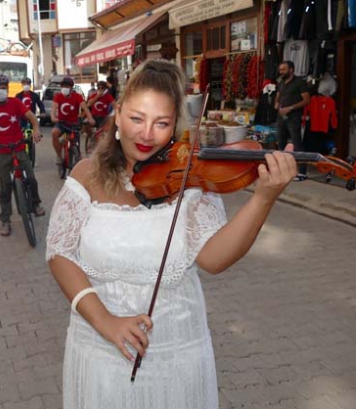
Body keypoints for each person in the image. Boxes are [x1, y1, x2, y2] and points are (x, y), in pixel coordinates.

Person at [45, 59, 297, 409]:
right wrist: (105, 322)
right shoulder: (87, 174)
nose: (147, 134)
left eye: (161, 123)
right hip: (100, 349)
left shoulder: (189, 178)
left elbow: (214, 258)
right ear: (117, 115)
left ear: (175, 125)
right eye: (136, 119)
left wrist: (264, 198)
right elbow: (59, 252)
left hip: (177, 352)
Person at [0, 74, 45, 237]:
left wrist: (36, 131)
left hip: (19, 147)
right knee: (4, 187)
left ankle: (35, 204)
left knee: (32, 178)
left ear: (7, 89)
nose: (1, 91)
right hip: (2, 152)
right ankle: (5, 220)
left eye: (3, 88)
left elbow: (33, 118)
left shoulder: (15, 102)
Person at [274, 61, 310, 180]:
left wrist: (290, 108)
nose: (281, 72)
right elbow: (278, 96)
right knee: (281, 143)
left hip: (294, 117)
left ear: (291, 70)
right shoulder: (281, 82)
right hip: (281, 117)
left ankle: (302, 172)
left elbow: (306, 100)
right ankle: (282, 169)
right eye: (280, 70)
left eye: (284, 70)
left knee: (297, 143)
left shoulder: (300, 82)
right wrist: (277, 103)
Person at [50, 76, 95, 164]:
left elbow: (85, 108)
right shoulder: (58, 96)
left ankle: (76, 157)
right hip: (61, 123)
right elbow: (53, 109)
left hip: (74, 124)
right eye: (63, 86)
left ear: (71, 87)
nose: (65, 88)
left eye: (67, 86)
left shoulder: (77, 96)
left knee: (76, 144)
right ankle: (59, 156)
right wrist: (53, 117)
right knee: (54, 133)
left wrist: (90, 118)